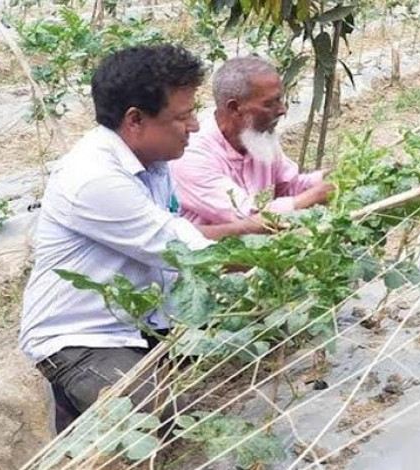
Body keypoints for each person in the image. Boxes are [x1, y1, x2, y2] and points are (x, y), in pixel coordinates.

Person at [19, 45, 262, 433]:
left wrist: (251, 229)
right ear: (135, 119)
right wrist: (280, 253)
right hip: (84, 339)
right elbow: (187, 253)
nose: (196, 126)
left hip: (139, 322)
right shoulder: (94, 177)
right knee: (169, 427)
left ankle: (78, 422)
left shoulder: (153, 162)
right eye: (183, 117)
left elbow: (174, 233)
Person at [171, 57, 335, 225]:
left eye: (280, 99)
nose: (282, 110)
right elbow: (246, 215)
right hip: (214, 249)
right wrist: (314, 196)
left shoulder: (259, 138)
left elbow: (290, 186)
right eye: (269, 103)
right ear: (235, 108)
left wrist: (335, 178)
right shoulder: (192, 155)